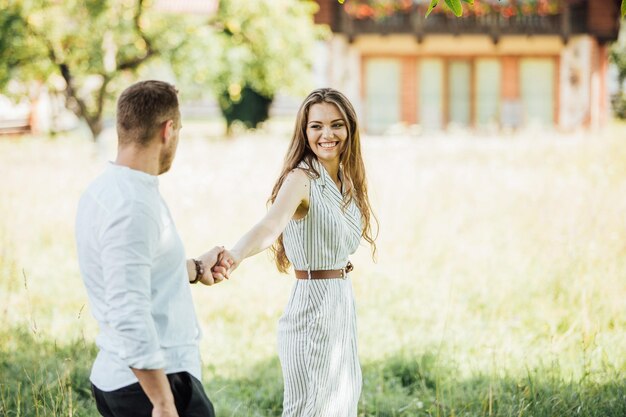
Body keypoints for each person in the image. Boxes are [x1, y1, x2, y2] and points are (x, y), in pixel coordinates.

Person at [75, 80, 229, 417]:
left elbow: (140, 270)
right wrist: (162, 401)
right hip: (151, 385)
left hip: (132, 379)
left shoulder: (109, 189)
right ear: (168, 130)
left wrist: (197, 268)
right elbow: (128, 310)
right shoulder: (132, 205)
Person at [221, 88, 377, 416]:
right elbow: (270, 225)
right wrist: (234, 254)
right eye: (316, 126)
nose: (327, 134)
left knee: (342, 404)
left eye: (336, 125)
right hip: (312, 311)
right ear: (304, 132)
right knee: (309, 409)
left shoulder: (346, 180)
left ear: (349, 129)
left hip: (341, 306)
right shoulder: (301, 179)